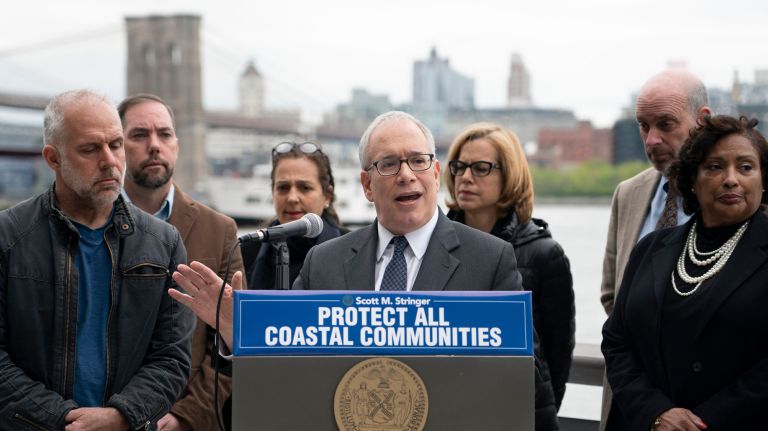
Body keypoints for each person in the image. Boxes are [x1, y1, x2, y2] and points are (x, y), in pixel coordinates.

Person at [0, 89, 194, 430]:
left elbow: (171, 357)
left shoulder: (163, 244)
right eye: (90, 149)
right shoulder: (8, 237)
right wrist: (62, 421)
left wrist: (121, 417)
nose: (109, 161)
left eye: (116, 144)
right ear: (53, 158)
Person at [602, 115, 768, 430]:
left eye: (746, 167)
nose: (731, 179)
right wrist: (655, 412)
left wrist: (700, 422)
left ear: (763, 179)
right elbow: (616, 339)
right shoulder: (652, 247)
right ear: (692, 179)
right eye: (715, 167)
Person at [119, 93, 243, 431]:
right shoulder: (92, 224)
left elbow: (233, 341)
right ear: (118, 146)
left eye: (165, 134)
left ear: (178, 144)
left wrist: (187, 416)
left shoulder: (219, 230)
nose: (154, 145)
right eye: (139, 135)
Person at [599, 70, 711, 429]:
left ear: (702, 121)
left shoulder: (740, 199)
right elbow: (612, 295)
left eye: (665, 124)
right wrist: (648, 397)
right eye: (643, 126)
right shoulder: (628, 194)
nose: (651, 140)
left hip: (705, 408)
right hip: (632, 405)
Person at [445, 122, 575, 424]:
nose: (465, 177)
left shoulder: (545, 254)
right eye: (459, 167)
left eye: (480, 168)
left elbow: (556, 360)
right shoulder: (433, 245)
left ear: (510, 175)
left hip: (514, 414)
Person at [240, 141, 348, 290]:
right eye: (283, 187)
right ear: (273, 193)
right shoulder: (247, 251)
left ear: (327, 196)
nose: (292, 198)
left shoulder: (354, 250)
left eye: (304, 188)